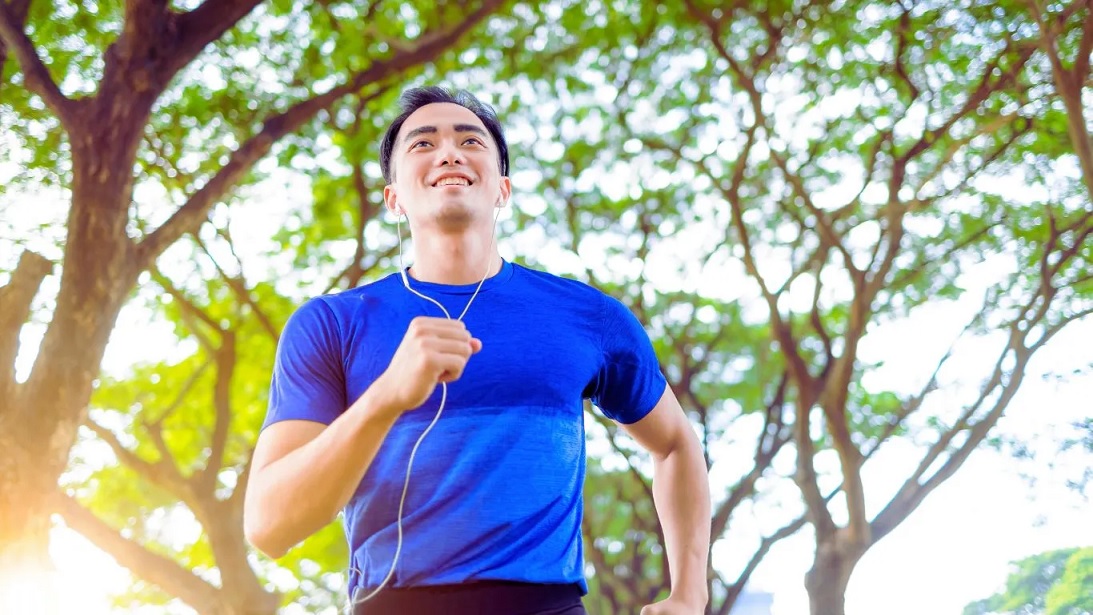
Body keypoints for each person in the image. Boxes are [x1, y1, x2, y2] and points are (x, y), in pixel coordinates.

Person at [244, 86, 711, 615]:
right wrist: (385, 398)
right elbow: (269, 527)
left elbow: (676, 444)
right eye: (423, 144)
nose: (449, 153)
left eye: (470, 141)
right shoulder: (330, 324)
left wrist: (690, 594)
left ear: (502, 189)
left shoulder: (588, 315)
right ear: (394, 198)